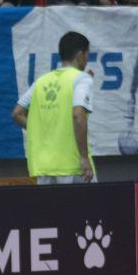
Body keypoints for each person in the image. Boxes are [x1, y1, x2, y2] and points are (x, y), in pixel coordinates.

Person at [11, 32, 96, 184]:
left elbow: (17, 113)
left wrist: (43, 131)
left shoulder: (42, 81)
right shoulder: (82, 79)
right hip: (73, 165)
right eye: (88, 54)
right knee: (87, 208)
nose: (88, 59)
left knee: (50, 208)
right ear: (80, 54)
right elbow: (78, 115)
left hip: (44, 166)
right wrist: (83, 157)